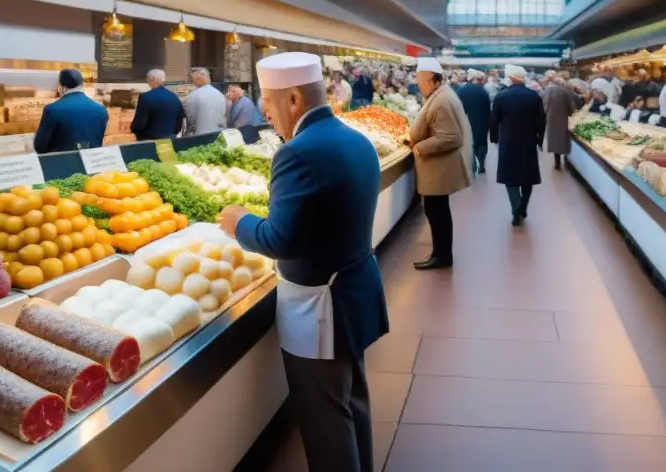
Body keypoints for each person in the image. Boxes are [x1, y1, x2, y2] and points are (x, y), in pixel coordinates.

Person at [219, 52, 387, 472]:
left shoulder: (296, 153)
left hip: (320, 309)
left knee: (324, 418)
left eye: (270, 107)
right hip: (355, 288)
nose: (269, 118)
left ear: (293, 100)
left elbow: (280, 238)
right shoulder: (356, 140)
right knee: (352, 402)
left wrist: (240, 222)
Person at [404, 57, 472, 270]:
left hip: (439, 169)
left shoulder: (441, 101)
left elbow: (450, 137)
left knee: (437, 212)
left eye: (420, 79)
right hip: (438, 168)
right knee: (437, 211)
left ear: (433, 79)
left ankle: (442, 256)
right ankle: (440, 253)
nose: (418, 83)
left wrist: (419, 147)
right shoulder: (440, 95)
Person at [491, 64, 545, 226]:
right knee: (527, 177)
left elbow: (494, 121)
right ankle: (523, 206)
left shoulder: (501, 96)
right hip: (528, 140)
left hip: (508, 141)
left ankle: (516, 208)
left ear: (511, 78)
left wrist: (494, 137)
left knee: (510, 177)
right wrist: (539, 140)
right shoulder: (534, 97)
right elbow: (541, 122)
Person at [34, 69, 108, 153]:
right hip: (91, 162)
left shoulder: (52, 109)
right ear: (81, 85)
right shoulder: (101, 110)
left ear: (62, 87)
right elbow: (97, 142)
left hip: (62, 164)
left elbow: (39, 146)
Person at [130, 69, 185, 141]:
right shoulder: (174, 97)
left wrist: (133, 129)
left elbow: (140, 123)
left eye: (148, 80)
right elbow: (179, 120)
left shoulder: (146, 97)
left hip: (149, 140)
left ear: (153, 79)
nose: (147, 82)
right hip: (170, 139)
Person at [457, 69, 492, 174]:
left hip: (467, 121)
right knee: (482, 143)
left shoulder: (461, 91)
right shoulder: (484, 92)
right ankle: (482, 162)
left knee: (471, 144)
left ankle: (473, 166)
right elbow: (488, 109)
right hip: (483, 122)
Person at [543, 77, 579, 171]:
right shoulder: (566, 92)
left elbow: (545, 105)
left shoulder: (548, 89)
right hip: (564, 120)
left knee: (555, 142)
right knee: (564, 141)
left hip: (551, 120)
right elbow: (573, 109)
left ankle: (557, 163)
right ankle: (566, 161)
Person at [182, 67, 226, 136]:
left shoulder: (192, 96)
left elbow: (189, 120)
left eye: (192, 79)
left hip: (199, 137)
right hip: (218, 134)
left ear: (197, 79)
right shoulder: (220, 94)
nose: (192, 82)